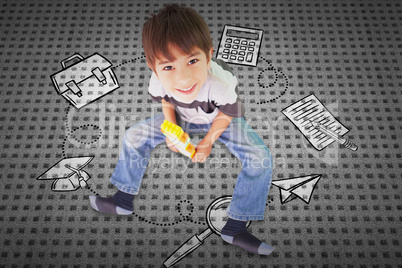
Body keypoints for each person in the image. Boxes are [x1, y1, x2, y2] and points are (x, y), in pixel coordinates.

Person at [90, 4, 274, 255]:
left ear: (209, 56)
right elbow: (167, 101)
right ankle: (122, 199)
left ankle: (236, 226)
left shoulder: (221, 84)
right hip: (182, 116)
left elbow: (228, 114)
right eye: (168, 66)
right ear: (153, 66)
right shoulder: (157, 81)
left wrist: (208, 142)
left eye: (193, 61)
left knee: (260, 157)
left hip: (218, 117)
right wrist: (172, 128)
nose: (184, 79)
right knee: (134, 135)